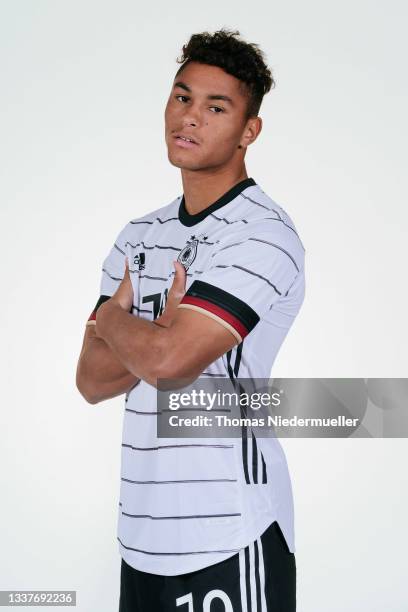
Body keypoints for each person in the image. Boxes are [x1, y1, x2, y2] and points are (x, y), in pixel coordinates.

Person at [76, 28, 305, 612]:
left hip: (230, 531)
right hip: (142, 534)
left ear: (248, 132)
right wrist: (148, 333)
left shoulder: (262, 234)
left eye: (216, 106)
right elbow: (93, 381)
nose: (191, 117)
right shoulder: (140, 235)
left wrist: (114, 318)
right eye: (182, 98)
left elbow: (169, 363)